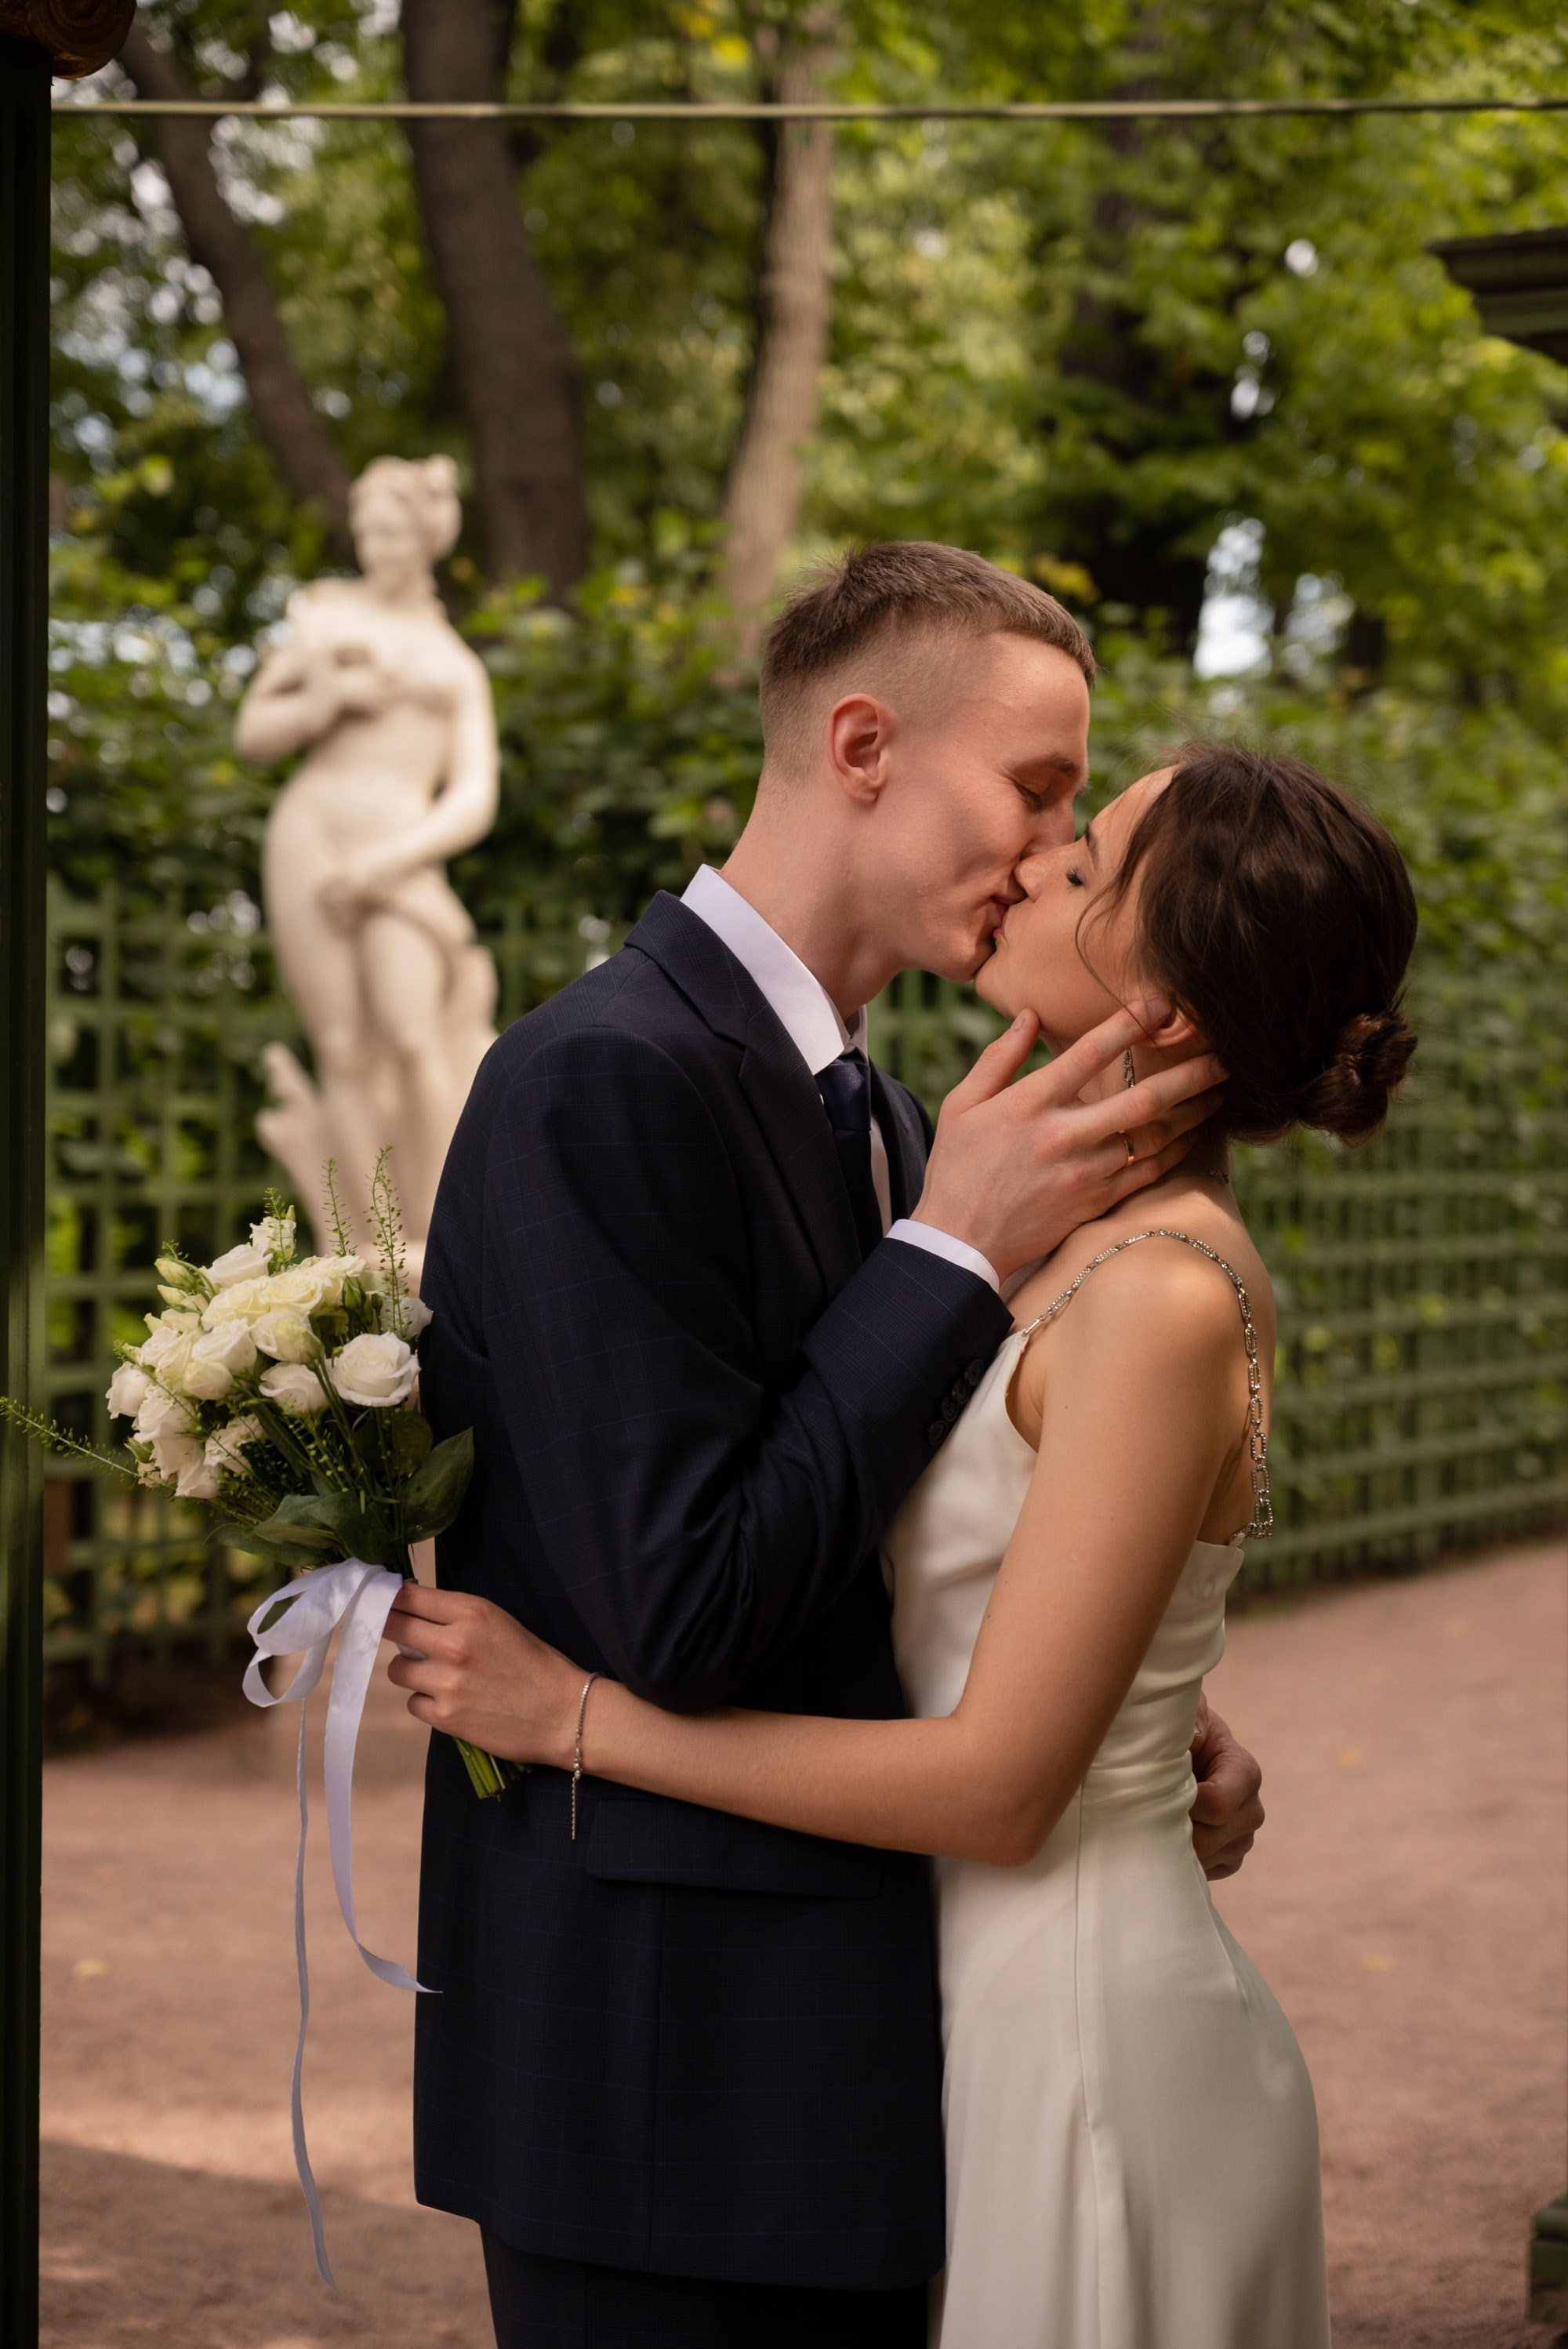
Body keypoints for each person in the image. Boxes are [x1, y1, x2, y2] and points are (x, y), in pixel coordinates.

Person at [393, 543, 1268, 2348]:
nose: (1047, 855)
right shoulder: (599, 1078)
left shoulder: (878, 1108)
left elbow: (879, 1521)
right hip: (660, 2075)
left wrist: (1110, 1688)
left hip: (868, 2060)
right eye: (1034, 789)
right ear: (860, 743)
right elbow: (684, 1609)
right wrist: (946, 1253)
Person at [235, 453, 499, 1260]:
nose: (372, 544)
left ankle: (446, 1231)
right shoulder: (322, 614)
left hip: (398, 855)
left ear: (424, 536)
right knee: (344, 1048)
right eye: (364, 529)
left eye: (388, 529)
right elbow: (252, 734)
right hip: (310, 834)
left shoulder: (455, 661)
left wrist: (389, 862)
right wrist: (325, 698)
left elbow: (472, 796)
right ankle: (370, 1245)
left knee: (415, 1033)